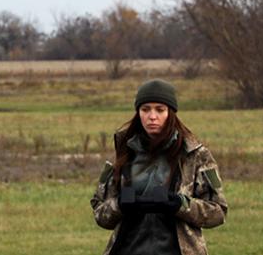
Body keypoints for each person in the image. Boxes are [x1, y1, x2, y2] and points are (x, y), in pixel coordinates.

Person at [90, 79, 228, 255]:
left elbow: (218, 212)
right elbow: (100, 214)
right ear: (138, 112)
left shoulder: (195, 155)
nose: (152, 116)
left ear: (171, 113)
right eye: (145, 109)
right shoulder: (124, 152)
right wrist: (119, 205)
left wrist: (180, 204)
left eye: (160, 110)